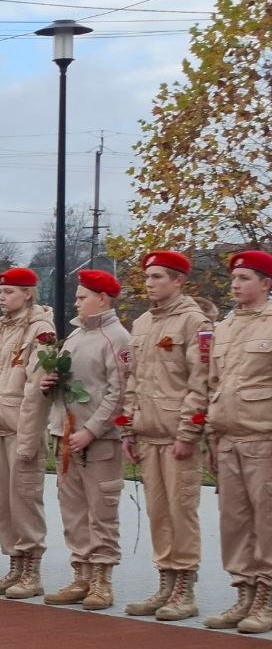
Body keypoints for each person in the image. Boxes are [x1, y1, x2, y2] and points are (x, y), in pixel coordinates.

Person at [29, 269, 132, 610]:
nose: (76, 302)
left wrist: (92, 430)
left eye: (82, 296)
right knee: (73, 511)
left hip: (97, 441)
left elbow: (119, 393)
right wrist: (50, 384)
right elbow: (69, 386)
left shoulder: (115, 338)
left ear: (102, 298)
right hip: (66, 436)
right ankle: (82, 575)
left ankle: (102, 581)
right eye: (76, 296)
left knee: (101, 511)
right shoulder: (73, 338)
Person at [121, 251, 215, 621]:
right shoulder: (142, 323)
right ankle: (165, 582)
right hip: (148, 434)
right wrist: (128, 428)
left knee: (181, 511)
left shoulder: (195, 321)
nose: (149, 283)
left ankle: (184, 588)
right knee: (159, 513)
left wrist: (189, 431)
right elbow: (133, 380)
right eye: (147, 276)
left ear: (179, 281)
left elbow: (200, 380)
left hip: (178, 436)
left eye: (158, 276)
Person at [0, 268, 54, 598]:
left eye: (9, 292)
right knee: (4, 503)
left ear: (28, 293)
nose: (2, 298)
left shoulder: (41, 330)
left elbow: (38, 388)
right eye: (1, 292)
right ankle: (15, 567)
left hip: (22, 429)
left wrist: (29, 436)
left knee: (25, 500)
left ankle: (31, 570)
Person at [204, 250, 272, 632]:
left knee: (266, 520)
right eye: (234, 278)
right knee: (234, 521)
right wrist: (212, 437)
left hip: (263, 436)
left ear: (266, 283)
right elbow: (215, 384)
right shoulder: (225, 328)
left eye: (245, 278)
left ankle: (267, 595)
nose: (236, 284)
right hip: (228, 437)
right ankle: (243, 592)